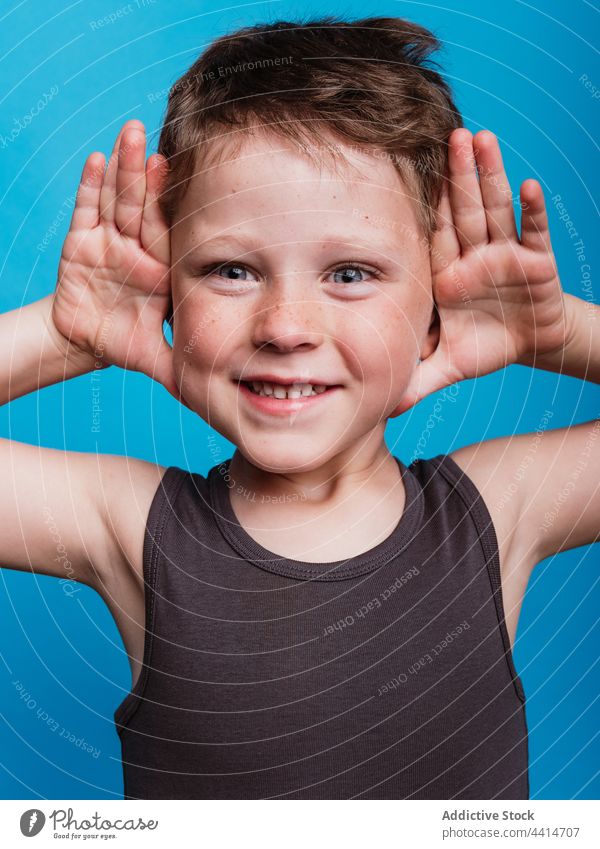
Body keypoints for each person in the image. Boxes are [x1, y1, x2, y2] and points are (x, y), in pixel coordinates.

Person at [1, 15, 598, 800]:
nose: (286, 328)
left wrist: (548, 334)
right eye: (231, 270)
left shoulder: (497, 511)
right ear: (168, 290)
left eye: (351, 273)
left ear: (436, 304)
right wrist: (68, 331)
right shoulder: (129, 528)